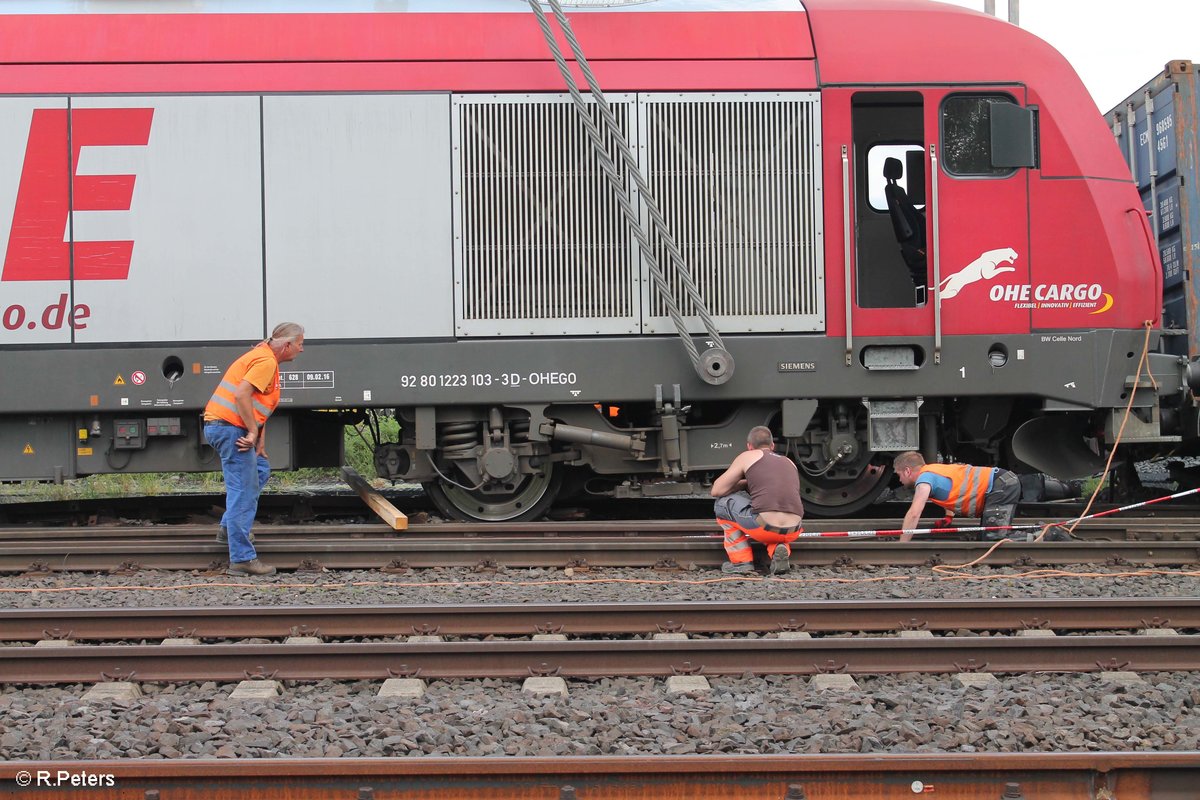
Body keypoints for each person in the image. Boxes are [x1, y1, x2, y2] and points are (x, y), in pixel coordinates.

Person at [203, 322, 305, 576]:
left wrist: (259, 438)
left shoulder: (265, 357)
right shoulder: (266, 362)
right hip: (230, 429)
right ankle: (242, 559)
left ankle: (228, 528)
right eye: (301, 344)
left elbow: (258, 403)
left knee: (259, 470)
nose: (302, 350)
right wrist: (250, 431)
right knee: (243, 490)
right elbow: (241, 396)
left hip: (227, 426)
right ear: (288, 345)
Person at [711, 426, 804, 575]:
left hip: (764, 528)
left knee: (722, 503)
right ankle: (777, 551)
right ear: (772, 446)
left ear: (749, 446)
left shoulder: (748, 456)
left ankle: (741, 562)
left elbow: (717, 490)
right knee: (774, 514)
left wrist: (744, 483)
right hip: (794, 529)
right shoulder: (789, 462)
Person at [892, 451, 1021, 542]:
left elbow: (914, 513)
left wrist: (903, 544)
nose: (899, 480)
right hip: (1002, 483)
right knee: (985, 537)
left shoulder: (924, 481)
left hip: (1001, 485)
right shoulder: (934, 470)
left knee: (994, 539)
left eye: (899, 475)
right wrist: (949, 516)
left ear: (907, 471)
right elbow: (953, 487)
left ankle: (1032, 538)